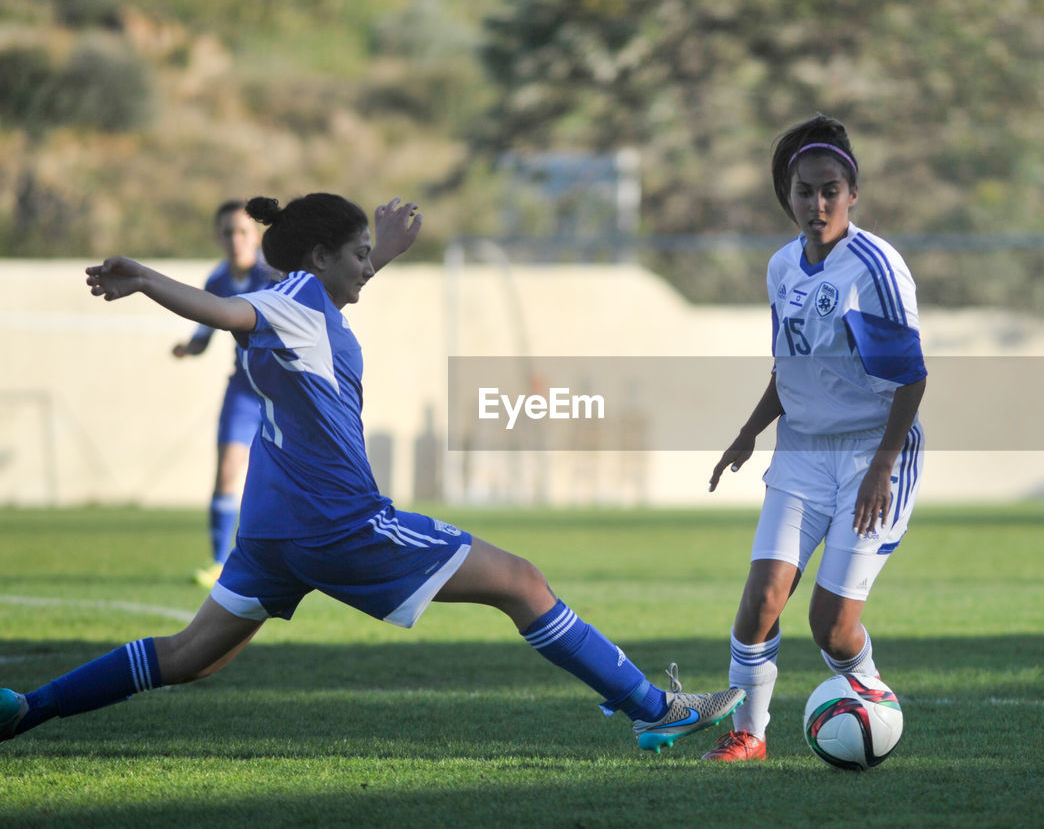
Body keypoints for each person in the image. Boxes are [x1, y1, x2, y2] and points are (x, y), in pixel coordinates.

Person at [1, 193, 743, 752]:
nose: (367, 266)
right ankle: (654, 710)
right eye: (357, 253)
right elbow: (225, 310)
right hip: (339, 522)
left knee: (189, 657)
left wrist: (381, 247)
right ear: (320, 256)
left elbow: (312, 297)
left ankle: (25, 710)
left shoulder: (308, 299)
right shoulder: (287, 304)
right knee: (522, 582)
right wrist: (147, 280)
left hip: (274, 529)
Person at [703, 115, 926, 761]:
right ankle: (750, 732)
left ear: (853, 193)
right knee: (760, 602)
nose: (817, 203)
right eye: (805, 191)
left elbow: (911, 379)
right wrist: (748, 434)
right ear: (789, 195)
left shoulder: (875, 268)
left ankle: (869, 697)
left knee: (829, 626)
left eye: (831, 190)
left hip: (873, 453)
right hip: (802, 450)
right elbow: (791, 367)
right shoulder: (781, 269)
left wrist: (883, 468)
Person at [173, 200, 278, 588]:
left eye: (243, 232)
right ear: (219, 237)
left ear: (256, 236)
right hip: (244, 389)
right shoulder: (217, 280)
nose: (236, 240)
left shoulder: (275, 274)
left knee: (283, 478)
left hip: (284, 390)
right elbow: (203, 334)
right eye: (228, 232)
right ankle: (220, 562)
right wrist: (188, 348)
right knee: (228, 471)